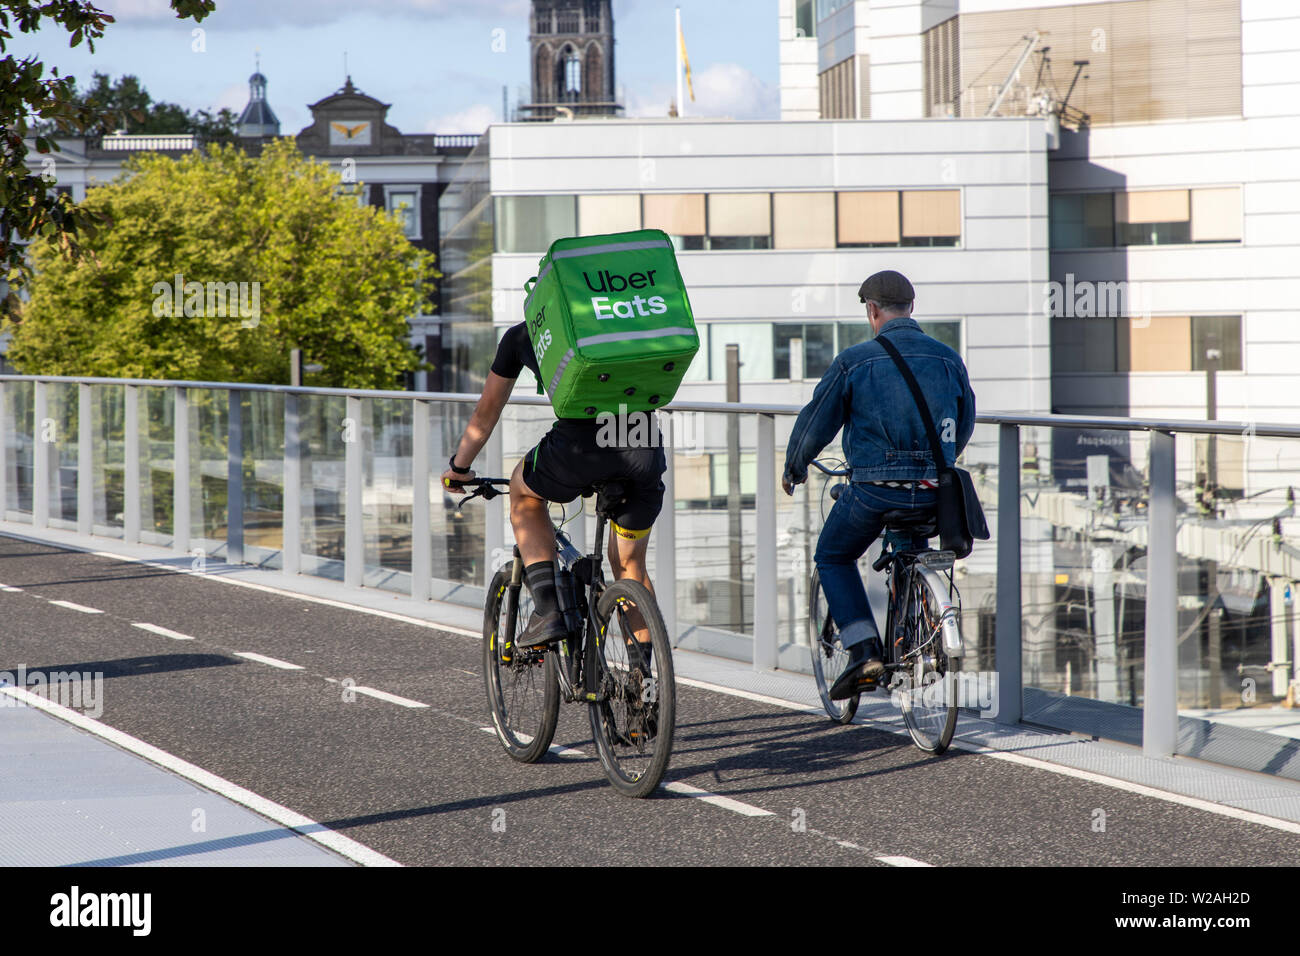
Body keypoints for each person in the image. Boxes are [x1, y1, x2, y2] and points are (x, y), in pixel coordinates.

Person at [782, 270, 975, 700]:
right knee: (910, 543)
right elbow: (963, 427)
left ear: (872, 311)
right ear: (912, 308)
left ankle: (865, 649)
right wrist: (936, 461)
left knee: (832, 556)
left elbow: (817, 423)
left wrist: (794, 467)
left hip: (874, 490)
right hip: (933, 491)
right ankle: (916, 637)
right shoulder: (949, 359)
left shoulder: (855, 360)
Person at [440, 322, 667, 651]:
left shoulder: (526, 334)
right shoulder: (629, 314)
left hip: (578, 449)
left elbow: (486, 411)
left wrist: (460, 468)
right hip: (642, 442)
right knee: (631, 566)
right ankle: (643, 684)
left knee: (523, 492)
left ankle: (547, 611)